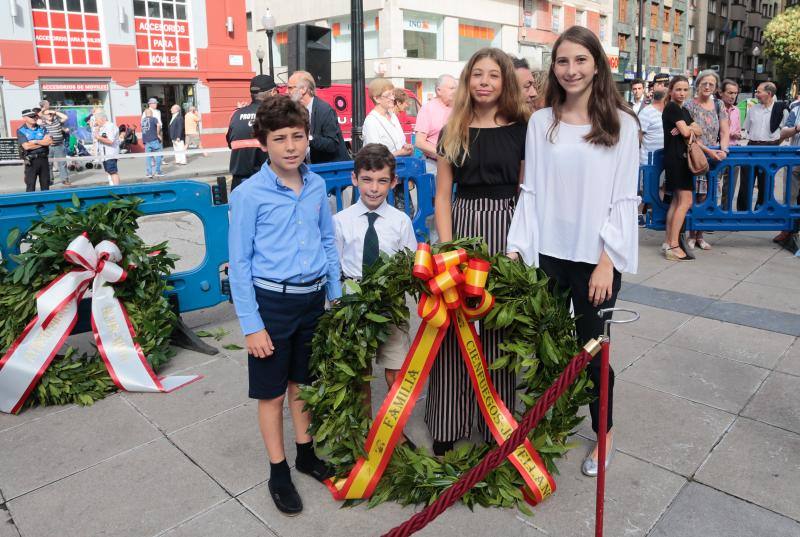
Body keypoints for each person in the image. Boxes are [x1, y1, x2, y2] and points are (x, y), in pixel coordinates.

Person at [507, 26, 639, 477]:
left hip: (595, 260)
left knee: (593, 350)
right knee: (546, 348)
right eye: (563, 61)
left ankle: (605, 433)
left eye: (580, 60)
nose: (571, 69)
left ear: (597, 65)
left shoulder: (622, 124)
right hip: (548, 254)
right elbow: (531, 191)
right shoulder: (541, 122)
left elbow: (624, 199)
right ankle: (547, 427)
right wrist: (518, 249)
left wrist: (607, 261)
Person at [228, 95, 341, 515]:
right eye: (280, 139)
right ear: (264, 143)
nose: (291, 146)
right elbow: (239, 263)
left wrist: (335, 295)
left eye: (298, 136)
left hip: (312, 300)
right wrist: (251, 324)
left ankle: (306, 453)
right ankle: (278, 470)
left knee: (303, 384)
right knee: (272, 394)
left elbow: (326, 239)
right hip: (271, 305)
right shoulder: (249, 195)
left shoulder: (315, 185)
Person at [426, 48, 528, 456]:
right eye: (477, 74)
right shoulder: (453, 128)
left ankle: (495, 425)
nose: (485, 82)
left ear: (505, 81)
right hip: (464, 228)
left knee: (500, 330)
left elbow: (527, 192)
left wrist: (519, 247)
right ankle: (447, 422)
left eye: (493, 75)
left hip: (507, 229)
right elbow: (442, 195)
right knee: (454, 326)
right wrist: (447, 248)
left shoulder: (522, 128)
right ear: (468, 80)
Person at [333, 144, 418, 444]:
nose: (374, 188)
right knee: (359, 374)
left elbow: (409, 264)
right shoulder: (340, 221)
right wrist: (336, 304)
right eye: (367, 179)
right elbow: (334, 266)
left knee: (396, 370)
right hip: (353, 304)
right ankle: (366, 432)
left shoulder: (400, 221)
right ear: (354, 178)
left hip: (390, 304)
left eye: (382, 181)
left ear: (393, 182)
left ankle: (394, 431)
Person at [683, 70, 729, 251]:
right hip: (696, 155)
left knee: (709, 196)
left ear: (716, 88)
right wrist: (709, 151)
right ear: (698, 84)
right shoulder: (689, 105)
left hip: (714, 158)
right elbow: (689, 134)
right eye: (704, 83)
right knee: (696, 195)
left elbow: (724, 130)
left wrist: (724, 149)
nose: (708, 86)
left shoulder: (719, 104)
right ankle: (691, 234)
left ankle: (700, 235)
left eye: (711, 84)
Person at [661, 75, 703, 260]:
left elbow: (698, 130)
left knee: (677, 202)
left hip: (679, 158)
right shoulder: (672, 108)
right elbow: (688, 132)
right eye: (678, 89)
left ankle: (668, 242)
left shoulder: (683, 110)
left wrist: (685, 128)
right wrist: (686, 128)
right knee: (685, 201)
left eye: (685, 89)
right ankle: (673, 245)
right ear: (671, 91)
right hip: (677, 159)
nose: (682, 93)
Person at [741, 81, 789, 210]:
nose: (756, 94)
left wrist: (774, 144)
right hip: (751, 147)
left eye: (759, 92)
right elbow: (747, 129)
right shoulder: (753, 109)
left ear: (769, 93)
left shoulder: (781, 110)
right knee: (746, 182)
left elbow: (785, 131)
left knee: (766, 183)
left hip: (770, 149)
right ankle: (743, 212)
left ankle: (761, 210)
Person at [226, 74, 277, 190]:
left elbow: (230, 143)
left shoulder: (235, 114)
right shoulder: (274, 115)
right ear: (273, 92)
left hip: (239, 184)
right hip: (265, 182)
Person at [287, 70, 349, 163]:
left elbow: (332, 144)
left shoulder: (324, 109)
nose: (287, 91)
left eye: (290, 88)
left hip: (329, 168)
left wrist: (309, 138)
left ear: (303, 89)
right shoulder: (295, 110)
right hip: (308, 167)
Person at [414, 74, 457, 174]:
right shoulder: (427, 109)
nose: (455, 91)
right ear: (439, 90)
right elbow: (419, 142)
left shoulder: (458, 108)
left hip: (456, 165)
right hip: (434, 165)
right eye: (451, 88)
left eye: (456, 88)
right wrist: (444, 155)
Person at [363, 78, 414, 157]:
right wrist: (400, 153)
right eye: (388, 95)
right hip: (385, 165)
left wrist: (406, 147)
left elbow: (400, 143)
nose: (393, 98)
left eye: (392, 94)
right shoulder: (371, 121)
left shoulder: (393, 116)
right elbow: (374, 156)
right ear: (377, 99)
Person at [719, 79, 742, 209]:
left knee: (730, 186)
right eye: (730, 93)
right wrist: (731, 133)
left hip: (734, 151)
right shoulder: (714, 108)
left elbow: (738, 130)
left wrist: (737, 134)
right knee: (714, 183)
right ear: (721, 93)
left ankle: (725, 211)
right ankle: (711, 213)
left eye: (735, 93)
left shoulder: (736, 110)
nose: (733, 96)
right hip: (717, 150)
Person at [17, 108, 53, 191]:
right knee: (30, 185)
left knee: (45, 185)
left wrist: (36, 141)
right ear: (24, 118)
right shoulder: (21, 130)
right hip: (31, 161)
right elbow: (26, 146)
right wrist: (43, 143)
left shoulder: (42, 128)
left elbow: (49, 141)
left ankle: (45, 199)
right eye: (31, 116)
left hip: (43, 159)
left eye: (34, 116)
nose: (34, 118)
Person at [42, 107, 71, 186]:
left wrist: (54, 112)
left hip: (59, 145)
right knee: (48, 164)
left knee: (62, 163)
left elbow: (65, 117)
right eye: (48, 114)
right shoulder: (42, 124)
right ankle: (50, 180)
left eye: (51, 114)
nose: (50, 115)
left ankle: (64, 180)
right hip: (48, 147)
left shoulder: (57, 121)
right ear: (44, 116)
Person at [94, 111, 121, 186]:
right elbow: (97, 138)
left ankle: (116, 188)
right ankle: (112, 185)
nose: (96, 122)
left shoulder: (110, 126)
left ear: (102, 119)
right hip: (104, 154)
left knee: (113, 171)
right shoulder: (102, 127)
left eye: (96, 120)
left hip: (110, 153)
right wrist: (96, 130)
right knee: (109, 171)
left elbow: (110, 141)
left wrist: (99, 137)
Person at [141, 108, 164, 178]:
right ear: (151, 113)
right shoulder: (154, 119)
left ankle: (149, 173)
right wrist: (158, 134)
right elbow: (158, 125)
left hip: (146, 141)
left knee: (148, 157)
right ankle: (158, 171)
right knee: (158, 155)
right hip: (153, 139)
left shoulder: (143, 120)